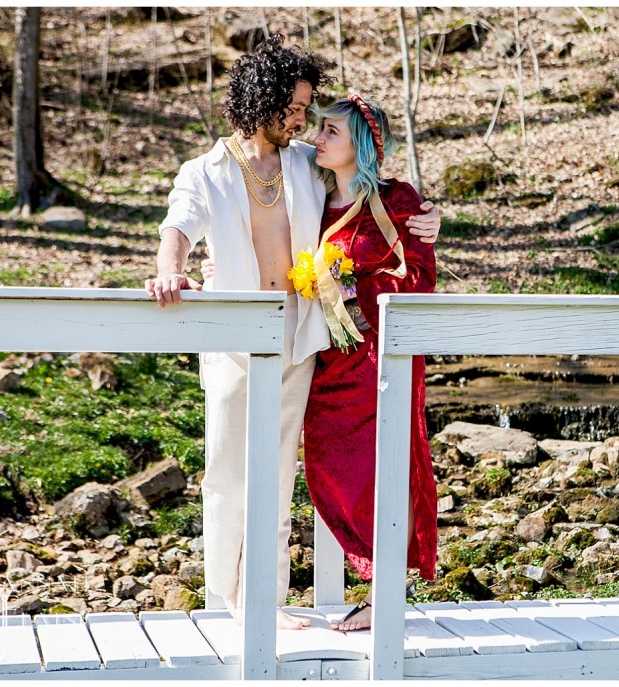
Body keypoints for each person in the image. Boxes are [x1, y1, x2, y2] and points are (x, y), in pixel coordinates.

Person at [143, 36, 440, 631]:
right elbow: (177, 225)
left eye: (308, 110)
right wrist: (169, 270)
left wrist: (426, 216)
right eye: (297, 108)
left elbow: (368, 180)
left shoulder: (306, 164)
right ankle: (227, 598)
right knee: (228, 473)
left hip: (300, 342)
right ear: (265, 99)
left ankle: (264, 599)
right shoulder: (206, 171)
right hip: (232, 344)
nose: (304, 120)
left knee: (277, 475)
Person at [302, 96, 438, 632]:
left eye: (330, 131)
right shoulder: (311, 193)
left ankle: (385, 590)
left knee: (377, 471)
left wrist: (355, 285)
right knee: (327, 470)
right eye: (319, 129)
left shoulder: (396, 200)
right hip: (327, 362)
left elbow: (421, 279)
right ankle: (378, 580)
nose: (319, 139)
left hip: (379, 359)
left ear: (359, 144)